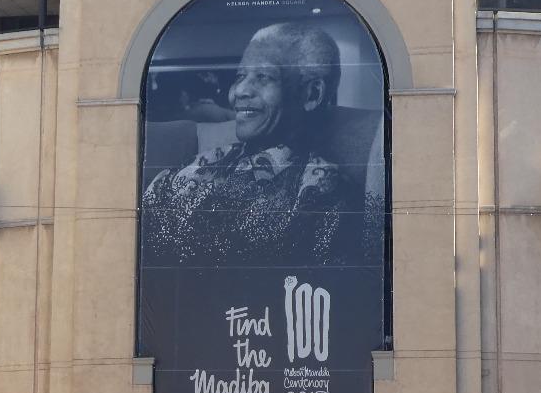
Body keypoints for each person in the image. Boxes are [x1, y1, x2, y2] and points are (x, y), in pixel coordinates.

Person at [141, 21, 374, 269]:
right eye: (240, 76)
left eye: (263, 77)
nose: (239, 91)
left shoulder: (324, 193)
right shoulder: (204, 162)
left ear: (311, 94)